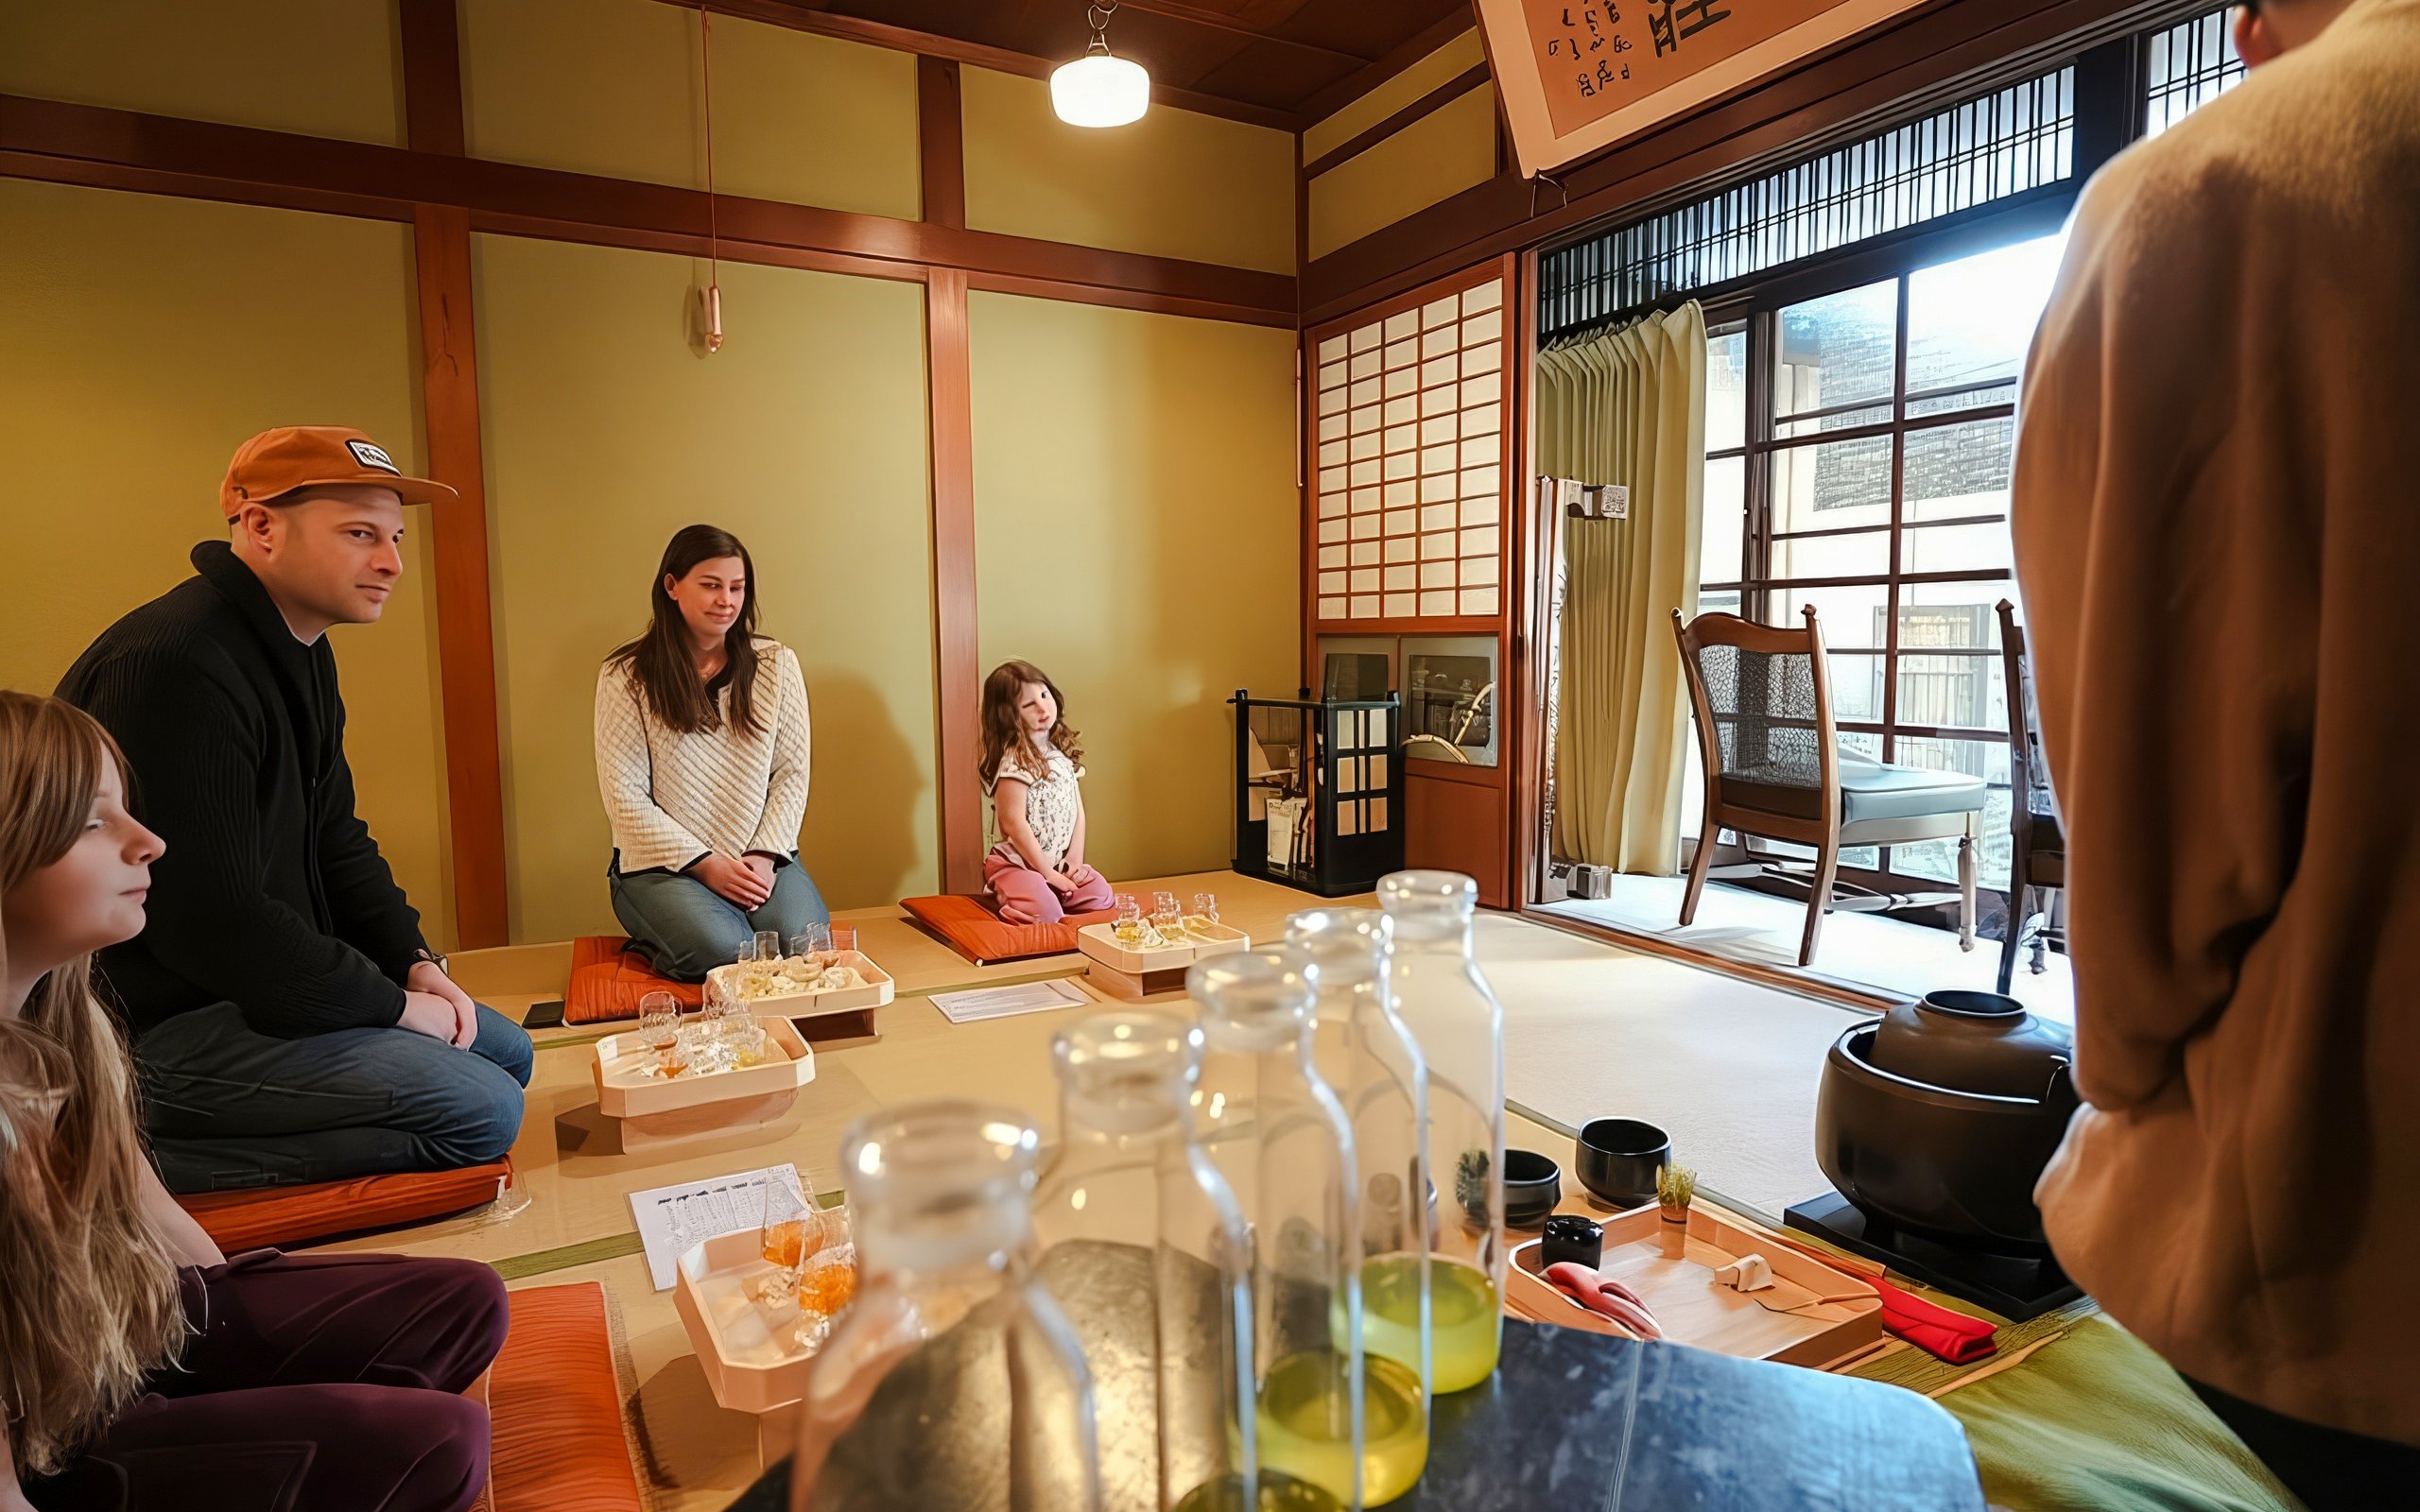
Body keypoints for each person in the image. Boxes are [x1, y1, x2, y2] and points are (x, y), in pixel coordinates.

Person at [2010, 0, 2419, 1502]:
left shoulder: (2224, 187)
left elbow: (2147, 914)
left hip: (2334, 1269)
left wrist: (2115, 1065)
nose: (2242, 25)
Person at [0, 691, 506, 1512]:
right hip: (51, 1451)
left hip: (119, 1348)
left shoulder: (68, 1011)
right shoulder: (178, 666)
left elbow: (144, 1202)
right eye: (96, 824)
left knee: (468, 1301)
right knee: (446, 1445)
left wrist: (237, 1336)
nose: (150, 842)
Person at [55, 426, 531, 1194]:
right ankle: (113, 1159)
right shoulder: (179, 663)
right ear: (262, 526)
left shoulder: (298, 647)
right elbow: (211, 920)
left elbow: (336, 836)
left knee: (506, 1051)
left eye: (396, 537)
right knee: (482, 1110)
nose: (392, 562)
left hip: (251, 986)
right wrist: (392, 1009)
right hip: (155, 1024)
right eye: (360, 534)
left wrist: (415, 964)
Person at [596, 525, 825, 981]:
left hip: (759, 855)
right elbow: (625, 797)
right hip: (662, 865)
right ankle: (658, 937)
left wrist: (762, 856)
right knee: (727, 953)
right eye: (711, 585)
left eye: (737, 588)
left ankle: (722, 914)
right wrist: (705, 865)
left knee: (803, 944)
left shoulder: (778, 664)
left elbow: (791, 774)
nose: (727, 600)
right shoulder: (625, 674)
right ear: (672, 586)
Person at [977, 661, 1112, 925]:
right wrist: (1047, 873)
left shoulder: (1058, 754)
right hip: (1017, 864)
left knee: (1101, 897)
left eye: (1044, 695)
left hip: (1057, 862)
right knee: (1044, 914)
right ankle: (1014, 896)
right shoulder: (1014, 763)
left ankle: (1050, 892)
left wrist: (1074, 860)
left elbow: (1077, 811)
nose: (1042, 707)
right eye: (1029, 705)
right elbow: (1012, 823)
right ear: (1008, 715)